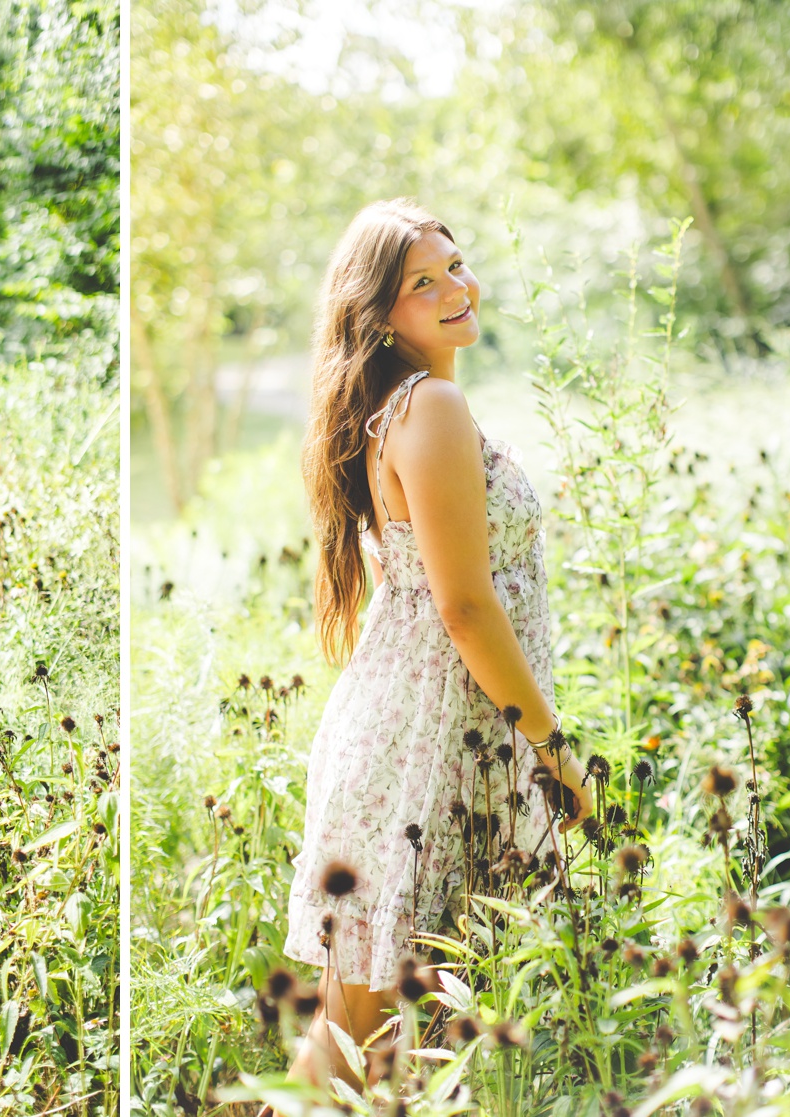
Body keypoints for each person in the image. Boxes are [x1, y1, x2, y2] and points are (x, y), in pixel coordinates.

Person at [273, 199, 594, 1098]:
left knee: (402, 1035)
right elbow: (463, 606)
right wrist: (553, 750)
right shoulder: (432, 405)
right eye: (424, 281)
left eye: (456, 265)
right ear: (379, 317)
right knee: (352, 1026)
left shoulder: (396, 408)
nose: (456, 287)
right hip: (417, 745)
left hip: (423, 736)